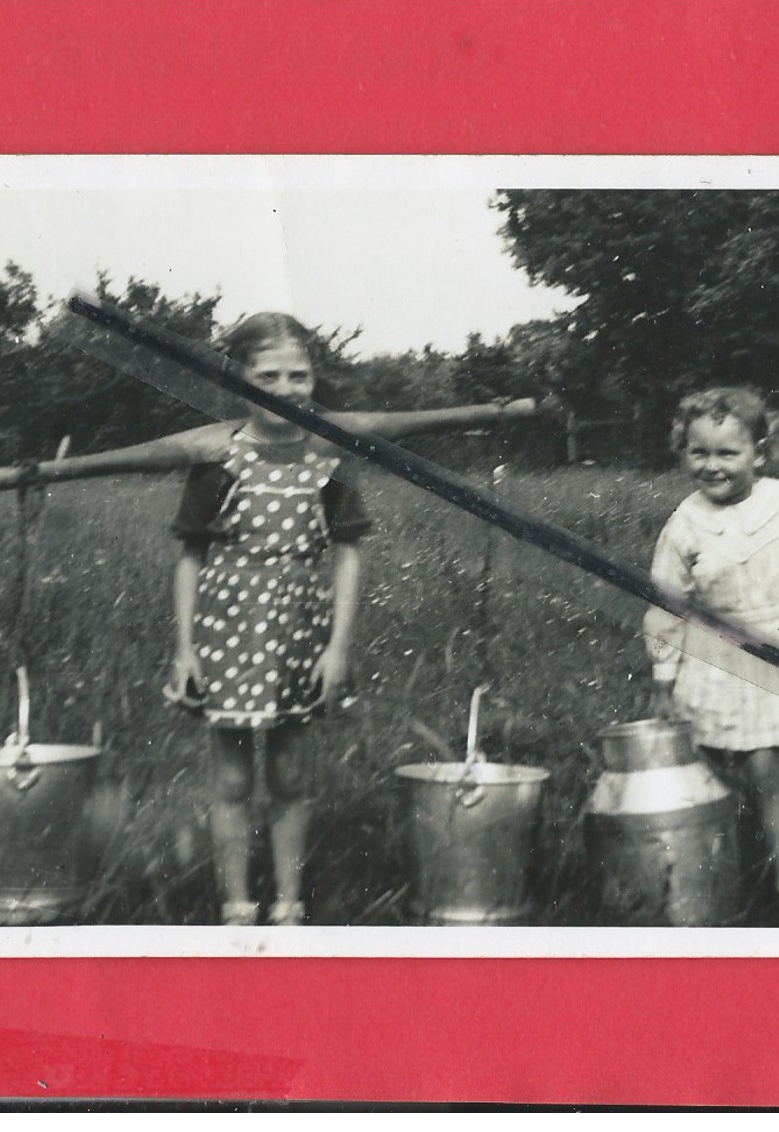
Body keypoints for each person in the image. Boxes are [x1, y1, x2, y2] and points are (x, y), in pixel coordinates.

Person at [160, 312, 537, 926]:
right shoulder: (217, 459)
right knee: (230, 776)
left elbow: (349, 553)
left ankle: (288, 901)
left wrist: (337, 647)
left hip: (299, 633)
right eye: (268, 375)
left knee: (288, 772)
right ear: (240, 381)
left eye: (298, 375)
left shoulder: (327, 460)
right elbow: (189, 559)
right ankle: (235, 903)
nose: (285, 389)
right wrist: (185, 648)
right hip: (225, 631)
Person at [644, 387, 779, 924]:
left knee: (764, 769)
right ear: (682, 452)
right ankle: (708, 880)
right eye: (698, 452)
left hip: (772, 652)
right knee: (705, 773)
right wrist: (663, 680)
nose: (712, 466)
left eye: (727, 453)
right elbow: (667, 604)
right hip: (707, 662)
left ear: (760, 451)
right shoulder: (684, 523)